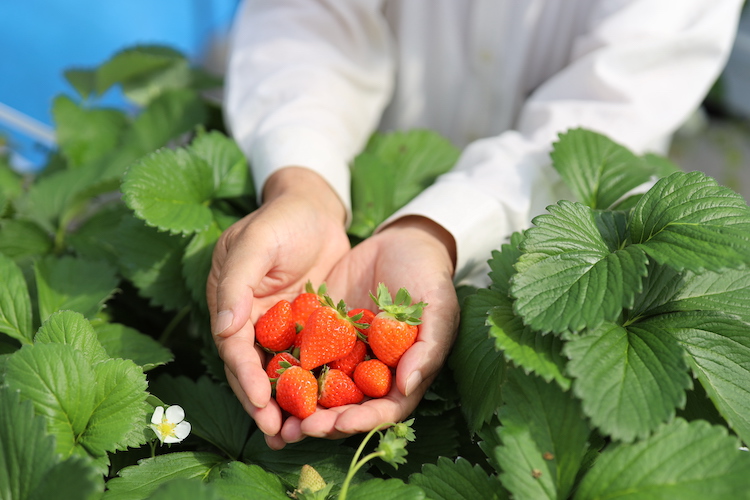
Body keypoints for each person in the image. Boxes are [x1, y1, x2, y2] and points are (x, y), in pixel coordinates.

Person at [208, 0, 744, 450]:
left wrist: (434, 230)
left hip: (567, 245)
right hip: (372, 168)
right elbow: (310, 17)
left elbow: (609, 112)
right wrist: (304, 185)